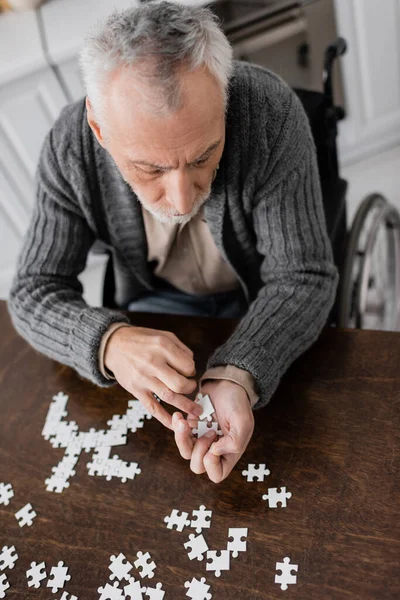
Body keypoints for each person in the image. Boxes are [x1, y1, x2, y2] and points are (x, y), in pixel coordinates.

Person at [7, 1, 338, 483]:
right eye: (150, 168)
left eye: (205, 155)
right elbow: (33, 290)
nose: (182, 198)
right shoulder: (70, 147)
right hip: (152, 312)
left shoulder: (269, 112)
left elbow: (304, 275)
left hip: (260, 307)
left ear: (225, 101)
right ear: (100, 129)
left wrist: (237, 373)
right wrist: (109, 342)